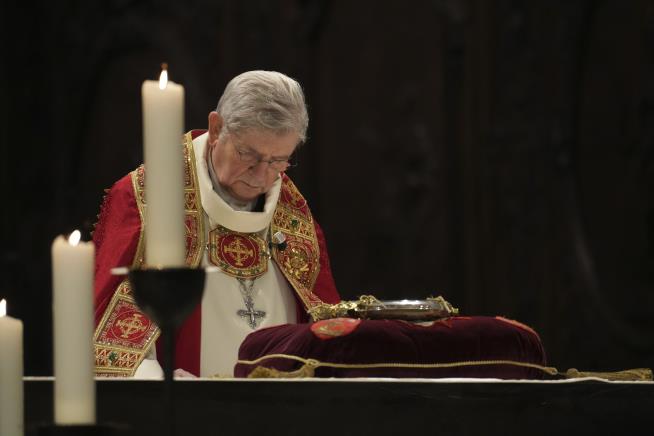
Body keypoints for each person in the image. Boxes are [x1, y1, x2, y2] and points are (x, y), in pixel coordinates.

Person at [92, 70, 341, 378]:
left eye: (279, 161)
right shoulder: (147, 198)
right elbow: (114, 344)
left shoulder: (295, 214)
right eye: (248, 154)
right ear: (216, 128)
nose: (262, 176)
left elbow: (325, 335)